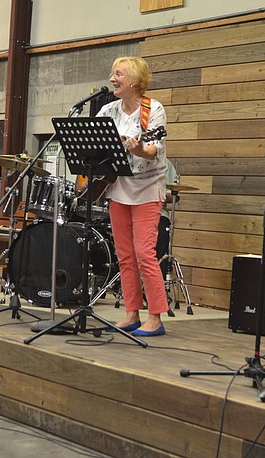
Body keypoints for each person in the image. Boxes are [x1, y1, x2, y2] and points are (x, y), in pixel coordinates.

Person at [96, 56, 168, 336]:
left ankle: (156, 317)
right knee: (124, 255)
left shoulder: (153, 109)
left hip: (147, 189)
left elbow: (151, 150)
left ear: (135, 81)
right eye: (112, 73)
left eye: (118, 74)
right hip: (117, 187)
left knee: (144, 254)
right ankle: (131, 313)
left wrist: (138, 149)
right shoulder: (108, 110)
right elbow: (95, 145)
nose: (112, 79)